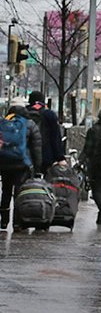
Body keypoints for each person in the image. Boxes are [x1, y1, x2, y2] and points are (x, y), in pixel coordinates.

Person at [0, 98, 42, 231]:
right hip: (22, 164)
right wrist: (37, 168)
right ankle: (18, 223)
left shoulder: (4, 122)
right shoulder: (29, 124)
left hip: (4, 163)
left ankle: (3, 221)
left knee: (5, 192)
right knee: (20, 193)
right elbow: (36, 148)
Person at [81, 107, 101, 224]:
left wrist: (81, 161)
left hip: (96, 164)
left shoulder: (93, 130)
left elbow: (87, 149)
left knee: (96, 191)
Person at [28, 92, 63, 172]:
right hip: (46, 156)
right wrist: (60, 157)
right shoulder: (49, 114)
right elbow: (55, 137)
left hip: (26, 156)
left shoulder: (24, 114)